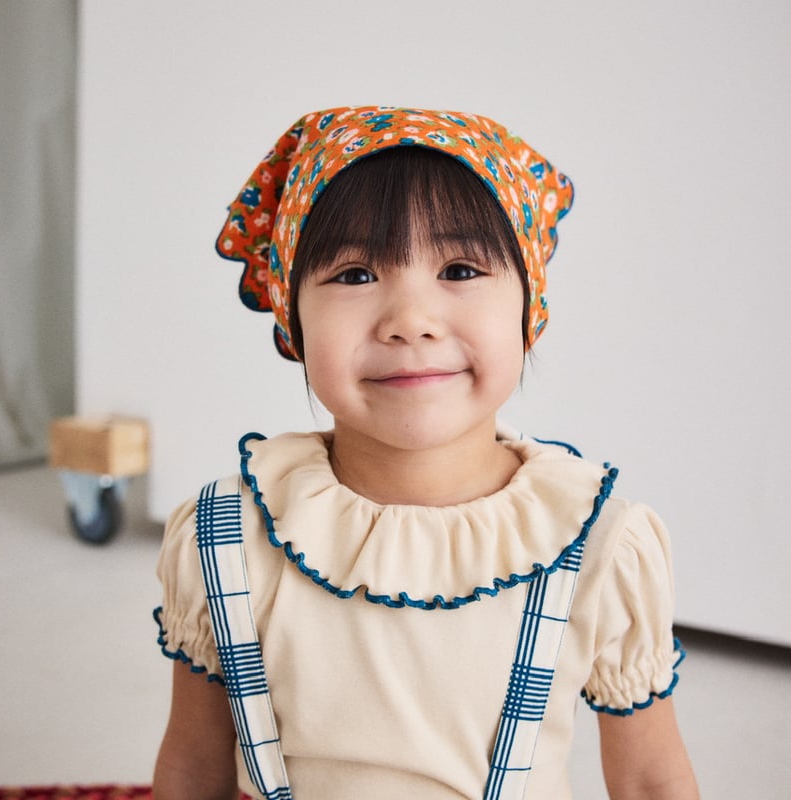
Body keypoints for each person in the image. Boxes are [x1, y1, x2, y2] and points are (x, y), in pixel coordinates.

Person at [152, 106, 699, 799]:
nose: (410, 321)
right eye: (355, 275)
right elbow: (192, 766)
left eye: (460, 268)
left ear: (528, 309)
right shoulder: (228, 538)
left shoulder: (597, 547)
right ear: (293, 318)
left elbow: (650, 779)